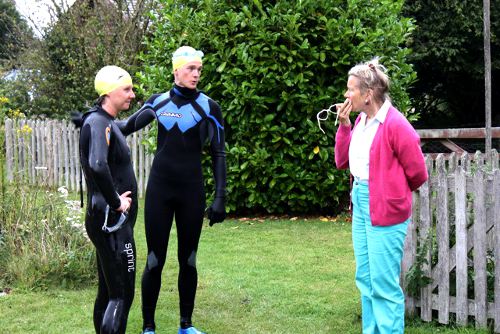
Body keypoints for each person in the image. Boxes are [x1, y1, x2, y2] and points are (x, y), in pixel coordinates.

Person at [116, 46, 227, 334]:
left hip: (191, 192)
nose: (196, 74)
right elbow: (125, 127)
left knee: (188, 260)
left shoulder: (208, 106)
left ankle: (186, 325)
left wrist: (220, 197)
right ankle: (148, 327)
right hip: (160, 192)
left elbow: (219, 154)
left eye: (199, 69)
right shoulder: (158, 102)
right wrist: (96, 119)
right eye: (191, 68)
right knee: (154, 260)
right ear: (176, 70)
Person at [334, 58, 428, 334]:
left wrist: (390, 192)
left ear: (368, 94)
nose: (346, 95)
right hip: (361, 203)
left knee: (384, 283)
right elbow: (342, 162)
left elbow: (418, 173)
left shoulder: (395, 125)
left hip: (386, 208)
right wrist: (344, 126)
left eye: (351, 89)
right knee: (365, 277)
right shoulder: (362, 121)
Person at [78, 65, 138, 334]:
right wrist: (117, 203)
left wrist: (160, 104)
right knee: (121, 296)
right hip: (111, 221)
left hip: (104, 219)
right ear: (108, 92)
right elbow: (98, 165)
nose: (132, 95)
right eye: (126, 89)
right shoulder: (99, 122)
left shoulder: (105, 121)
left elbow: (130, 124)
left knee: (108, 292)